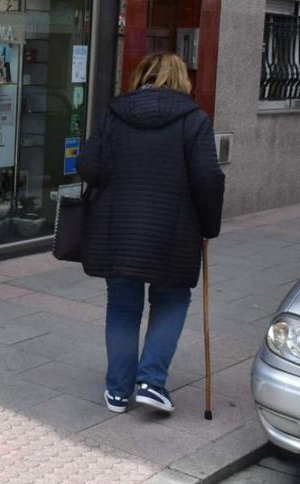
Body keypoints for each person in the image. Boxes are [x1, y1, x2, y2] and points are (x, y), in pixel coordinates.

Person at [77, 52, 225, 415]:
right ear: (181, 80)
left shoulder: (114, 113)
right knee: (172, 300)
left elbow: (87, 166)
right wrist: (209, 225)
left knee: (123, 306)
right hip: (173, 231)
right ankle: (150, 383)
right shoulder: (193, 120)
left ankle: (117, 390)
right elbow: (207, 179)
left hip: (119, 230)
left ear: (141, 75)